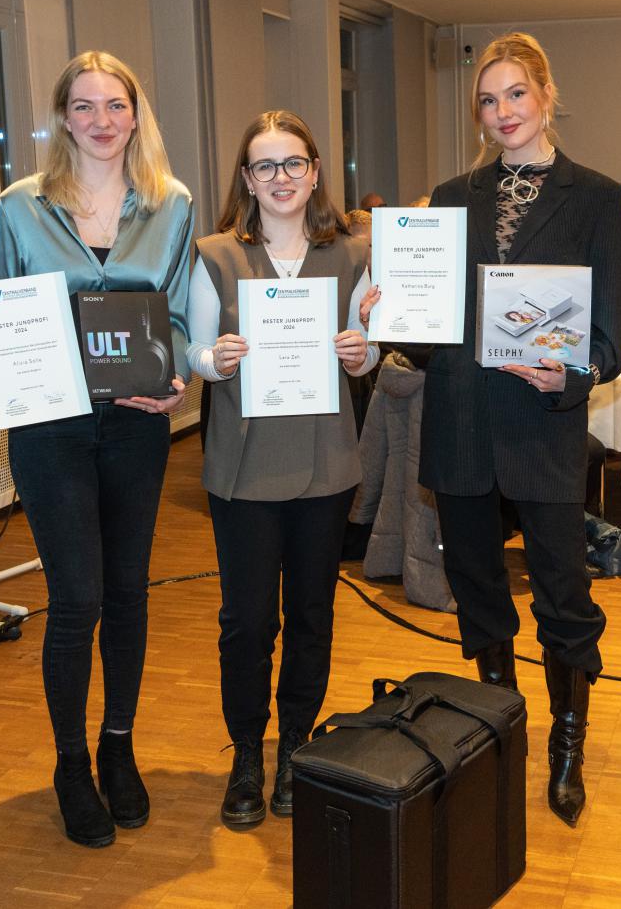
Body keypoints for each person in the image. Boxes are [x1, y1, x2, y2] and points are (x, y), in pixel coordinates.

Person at [418, 32, 621, 827]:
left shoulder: (599, 197)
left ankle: (567, 746)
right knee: (478, 592)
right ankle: (503, 732)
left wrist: (570, 375)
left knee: (564, 597)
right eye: (487, 98)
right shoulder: (450, 198)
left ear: (545, 95)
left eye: (515, 93)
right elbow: (431, 329)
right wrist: (389, 316)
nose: (502, 111)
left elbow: (609, 338)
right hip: (463, 422)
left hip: (544, 426)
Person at [0, 51, 191, 848]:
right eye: (84, 106)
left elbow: (174, 316)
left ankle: (118, 746)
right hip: (51, 428)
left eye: (115, 105)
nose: (101, 120)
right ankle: (70, 763)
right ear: (62, 117)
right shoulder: (20, 206)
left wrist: (175, 375)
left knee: (129, 593)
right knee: (77, 598)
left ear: (135, 115)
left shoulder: (169, 204)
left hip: (138, 423)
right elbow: (3, 309)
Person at [188, 110, 377, 828]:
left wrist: (365, 355)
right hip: (244, 468)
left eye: (293, 163)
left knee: (311, 616)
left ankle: (295, 744)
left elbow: (370, 348)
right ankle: (246, 753)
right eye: (265, 166)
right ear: (246, 178)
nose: (281, 179)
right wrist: (215, 360)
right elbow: (194, 353)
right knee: (245, 624)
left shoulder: (353, 256)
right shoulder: (214, 256)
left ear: (316, 171)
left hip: (327, 464)